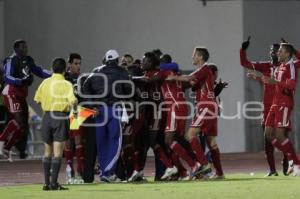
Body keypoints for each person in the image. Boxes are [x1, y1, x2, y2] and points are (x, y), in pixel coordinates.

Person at [168, 47, 224, 179]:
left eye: (194, 55)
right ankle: (220, 173)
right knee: (212, 143)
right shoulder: (203, 71)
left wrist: (173, 77)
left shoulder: (204, 68)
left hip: (205, 106)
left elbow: (190, 78)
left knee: (190, 136)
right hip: (211, 106)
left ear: (200, 57)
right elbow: (193, 83)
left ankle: (204, 164)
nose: (192, 57)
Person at [240, 37, 288, 176]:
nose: (272, 53)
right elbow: (244, 62)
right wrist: (243, 50)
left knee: (281, 136)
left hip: (280, 106)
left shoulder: (285, 68)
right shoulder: (266, 66)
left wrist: (289, 47)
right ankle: (272, 170)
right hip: (266, 108)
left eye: (275, 50)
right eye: (270, 50)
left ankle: (286, 158)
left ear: (281, 52)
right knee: (267, 140)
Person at [82, 49, 131, 182]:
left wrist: (92, 105)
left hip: (99, 111)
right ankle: (108, 173)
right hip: (115, 109)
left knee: (101, 142)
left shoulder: (96, 71)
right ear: (116, 60)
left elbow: (84, 89)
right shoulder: (122, 72)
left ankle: (105, 172)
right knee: (115, 142)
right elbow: (129, 90)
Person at [0, 40, 51, 159]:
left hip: (22, 95)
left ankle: (7, 148)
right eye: (23, 47)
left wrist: (55, 74)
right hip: (11, 93)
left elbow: (40, 71)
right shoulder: (10, 60)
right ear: (16, 48)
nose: (26, 49)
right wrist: (20, 81)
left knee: (22, 126)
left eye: (26, 46)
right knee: (17, 120)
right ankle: (1, 142)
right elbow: (7, 77)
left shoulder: (28, 60)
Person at [34, 58, 77, 190]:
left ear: (52, 69)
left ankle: (46, 183)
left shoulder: (45, 82)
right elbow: (73, 101)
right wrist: (74, 111)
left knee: (47, 152)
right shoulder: (66, 84)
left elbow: (37, 100)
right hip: (60, 117)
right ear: (65, 70)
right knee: (58, 153)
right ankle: (54, 183)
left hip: (47, 116)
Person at [262, 42, 300, 176]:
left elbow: (292, 85)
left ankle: (296, 163)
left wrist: (275, 82)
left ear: (288, 54)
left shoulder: (291, 66)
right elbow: (276, 83)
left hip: (284, 103)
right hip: (275, 103)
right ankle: (292, 159)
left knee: (279, 135)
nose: (278, 53)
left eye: (281, 51)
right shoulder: (280, 66)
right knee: (268, 134)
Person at [63, 53, 85, 181]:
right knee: (68, 141)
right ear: (69, 64)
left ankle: (79, 170)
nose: (78, 66)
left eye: (79, 64)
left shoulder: (82, 78)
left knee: (78, 140)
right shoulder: (63, 78)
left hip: (77, 112)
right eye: (76, 63)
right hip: (65, 112)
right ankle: (69, 169)